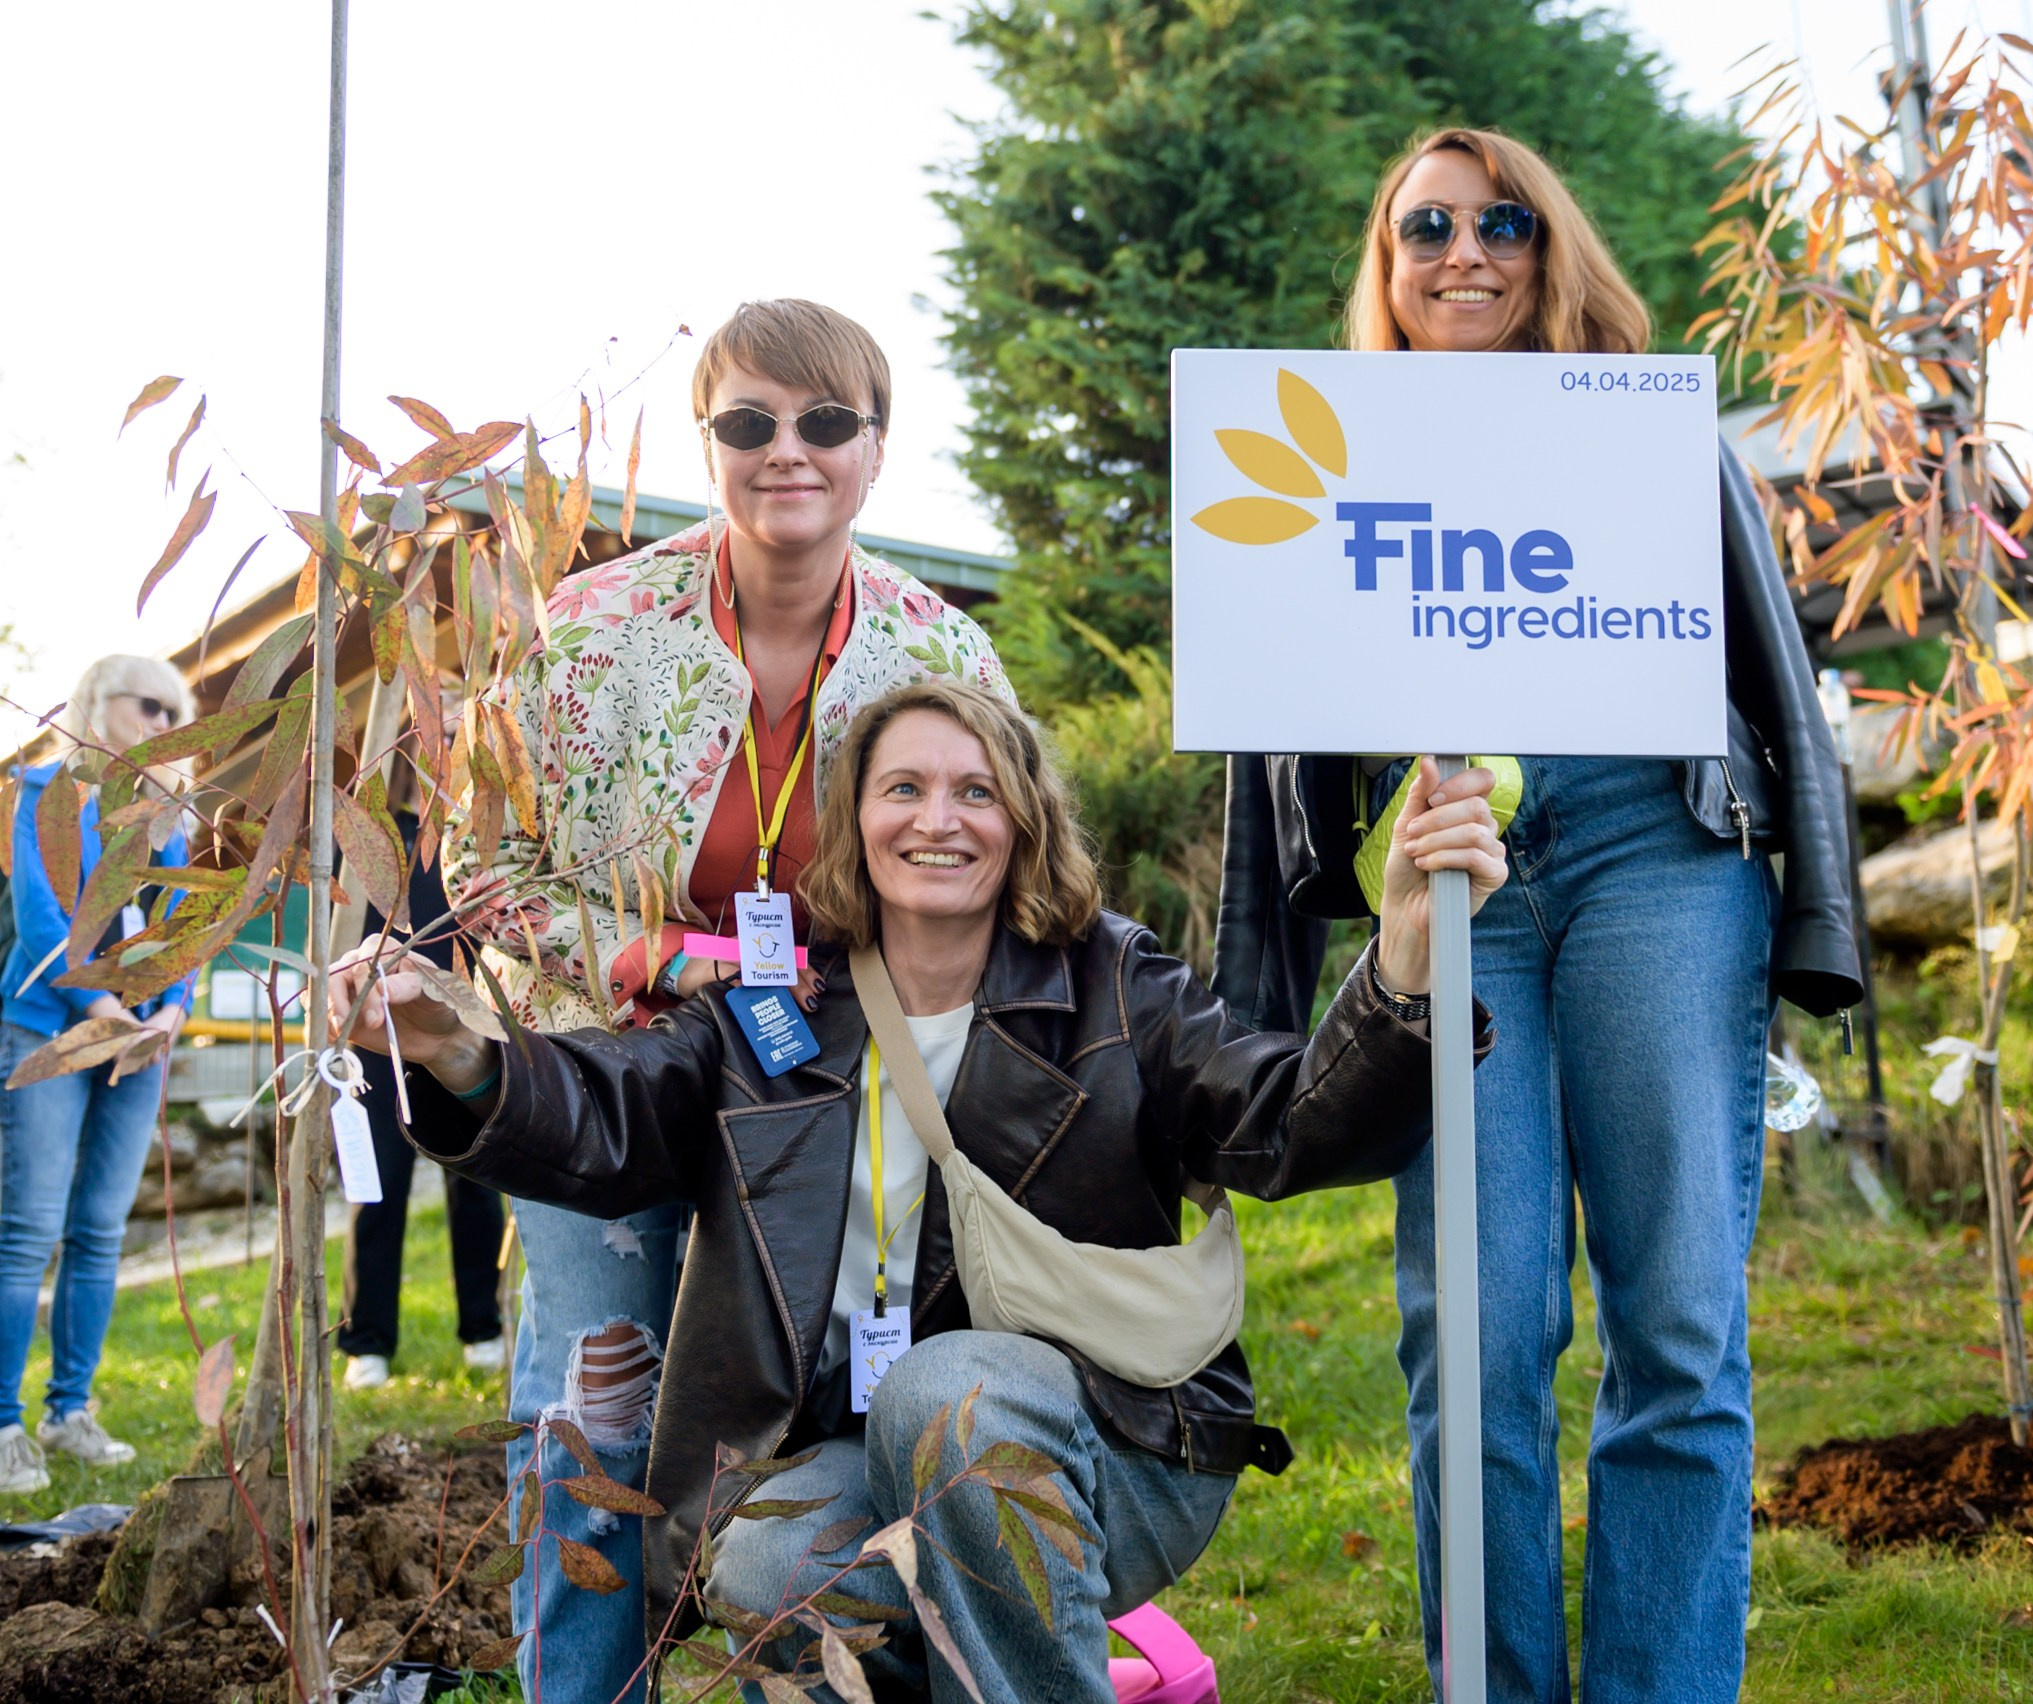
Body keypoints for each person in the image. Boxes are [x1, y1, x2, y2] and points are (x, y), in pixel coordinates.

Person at [335, 679, 1508, 1702]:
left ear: (1022, 821)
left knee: (946, 1395)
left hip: (1113, 1448)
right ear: (854, 822)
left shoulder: (1113, 981)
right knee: (763, 1560)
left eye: (974, 791)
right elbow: (606, 1111)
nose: (936, 819)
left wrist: (1397, 969)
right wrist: (460, 1054)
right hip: (868, 1452)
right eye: (901, 789)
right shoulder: (768, 1023)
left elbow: (1284, 1124)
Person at [1211, 128, 1863, 1704]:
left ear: (1548, 247)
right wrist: (1251, 1015)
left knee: (1680, 1321)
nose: (1465, 252)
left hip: (1661, 853)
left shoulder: (1651, 433)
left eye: (1503, 222)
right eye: (1424, 225)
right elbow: (1270, 732)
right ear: (1386, 262)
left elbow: (1775, 672)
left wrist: (1822, 913)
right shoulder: (1315, 451)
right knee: (1479, 1338)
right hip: (1458, 882)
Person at [442, 299, 1015, 1703]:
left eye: (826, 423)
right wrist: (673, 964)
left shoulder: (941, 659)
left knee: (822, 1423)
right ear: (708, 443)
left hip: (827, 1105)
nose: (788, 453)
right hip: (600, 1081)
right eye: (748, 424)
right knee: (594, 1412)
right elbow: (481, 872)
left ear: (877, 447)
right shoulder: (590, 631)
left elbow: (1004, 874)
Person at [0, 655, 198, 1494]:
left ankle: (69, 1410)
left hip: (138, 1041)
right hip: (52, 1024)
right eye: (150, 706)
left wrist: (174, 1010)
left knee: (100, 1231)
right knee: (29, 1228)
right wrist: (95, 1008)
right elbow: (42, 913)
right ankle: (4, 1425)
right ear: (98, 701)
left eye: (175, 712)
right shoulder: (43, 789)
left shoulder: (168, 817)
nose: (164, 724)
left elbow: (184, 919)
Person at [337, 810, 506, 1390]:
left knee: (479, 1179)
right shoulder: (364, 823)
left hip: (461, 1015)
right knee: (379, 1180)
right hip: (378, 1023)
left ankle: (483, 1327)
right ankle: (368, 1340)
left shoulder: (472, 819)